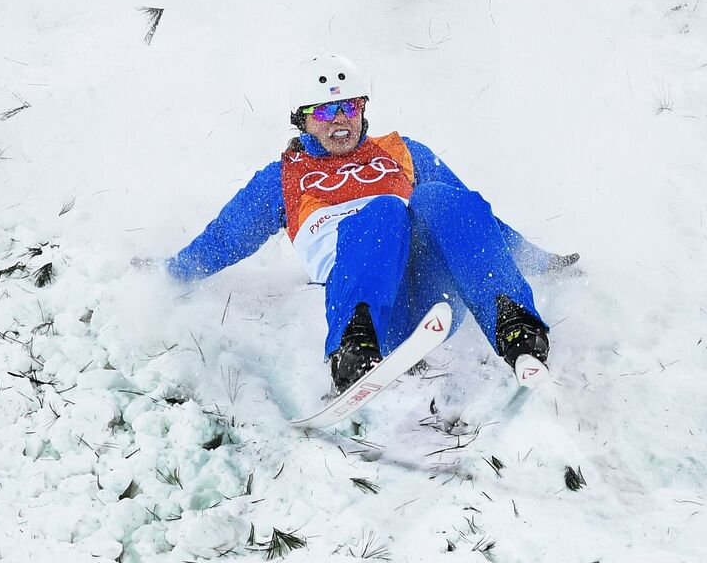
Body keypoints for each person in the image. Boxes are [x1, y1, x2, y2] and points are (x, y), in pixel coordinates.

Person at [156, 53, 576, 394]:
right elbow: (226, 236)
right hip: (372, 311)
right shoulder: (283, 178)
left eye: (349, 106)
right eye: (324, 110)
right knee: (384, 213)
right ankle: (352, 349)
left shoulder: (402, 151)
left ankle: (516, 325)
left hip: (435, 291)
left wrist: (538, 260)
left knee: (436, 196)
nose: (340, 120)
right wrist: (170, 273)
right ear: (301, 119)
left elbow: (469, 220)